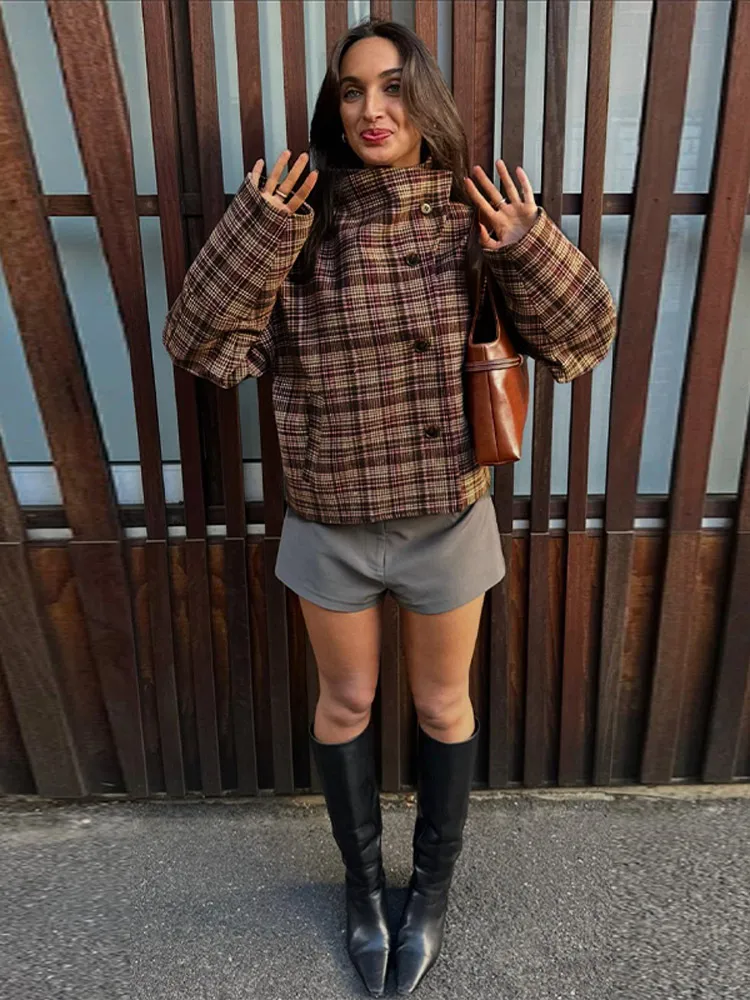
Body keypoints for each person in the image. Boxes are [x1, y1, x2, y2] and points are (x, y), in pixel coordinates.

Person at [163, 17, 616, 997]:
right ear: (335, 109)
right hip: (328, 514)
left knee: (442, 704)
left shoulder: (469, 221)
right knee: (347, 702)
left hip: (445, 516)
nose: (372, 108)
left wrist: (528, 245)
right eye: (353, 90)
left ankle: (432, 892)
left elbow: (585, 338)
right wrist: (255, 231)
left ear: (425, 102)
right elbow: (201, 346)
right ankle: (365, 891)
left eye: (394, 87)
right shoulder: (299, 226)